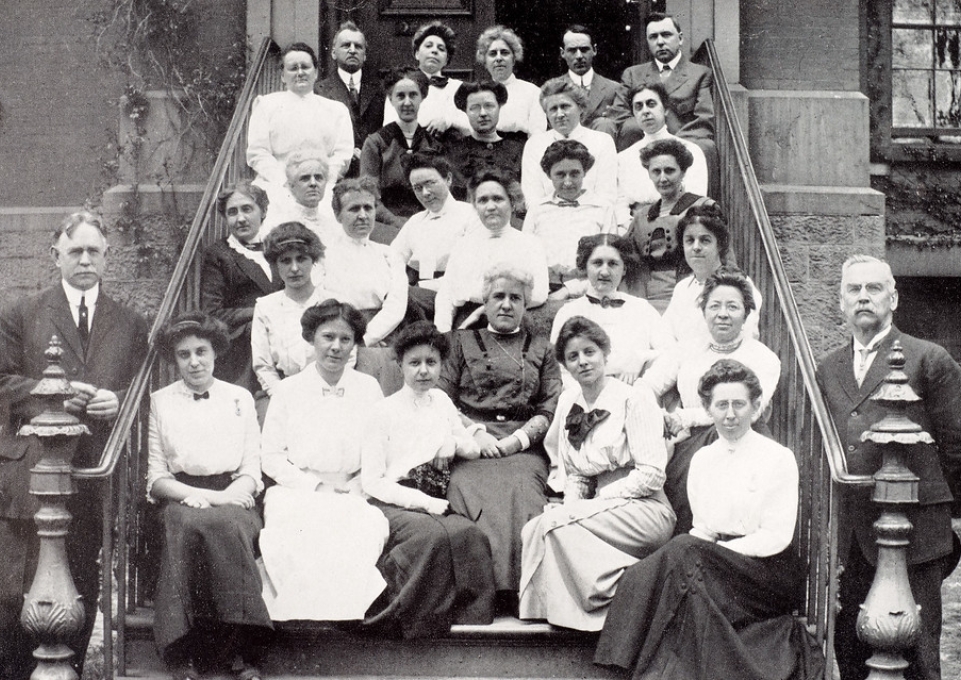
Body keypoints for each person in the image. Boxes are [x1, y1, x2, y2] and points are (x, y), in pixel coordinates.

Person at [596, 359, 823, 680]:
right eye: (721, 405)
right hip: (712, 562)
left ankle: (618, 662)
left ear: (755, 407)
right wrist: (705, 555)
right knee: (667, 572)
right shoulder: (702, 459)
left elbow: (776, 537)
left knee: (685, 553)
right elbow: (702, 529)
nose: (730, 414)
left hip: (767, 571)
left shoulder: (778, 457)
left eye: (739, 404)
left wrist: (713, 555)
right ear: (708, 409)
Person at [0, 211, 148, 680]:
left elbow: (143, 389)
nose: (85, 259)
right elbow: (3, 383)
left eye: (94, 251)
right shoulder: (21, 313)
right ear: (56, 256)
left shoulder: (129, 322)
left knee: (82, 576)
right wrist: (61, 395)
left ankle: (71, 671)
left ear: (107, 257)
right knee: (18, 585)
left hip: (94, 469)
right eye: (75, 251)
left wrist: (117, 400)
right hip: (34, 471)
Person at [817, 255, 961, 680]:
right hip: (851, 535)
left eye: (874, 288)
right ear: (841, 302)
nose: (864, 297)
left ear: (893, 298)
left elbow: (956, 444)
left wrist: (938, 509)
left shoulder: (928, 359)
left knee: (916, 653)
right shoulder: (827, 367)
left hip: (914, 529)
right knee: (852, 646)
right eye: (854, 290)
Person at [518, 317, 674, 631]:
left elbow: (652, 474)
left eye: (589, 352)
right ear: (565, 365)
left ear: (605, 354)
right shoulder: (569, 403)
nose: (583, 361)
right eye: (573, 357)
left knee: (554, 526)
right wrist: (573, 508)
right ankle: (546, 617)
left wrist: (598, 500)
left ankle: (630, 593)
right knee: (534, 529)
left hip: (644, 508)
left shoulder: (633, 399)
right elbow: (575, 475)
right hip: (600, 510)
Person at [147, 313, 271, 680]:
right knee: (185, 527)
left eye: (202, 351)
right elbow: (156, 477)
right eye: (184, 354)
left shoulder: (240, 397)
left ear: (216, 353)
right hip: (181, 495)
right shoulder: (160, 401)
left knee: (230, 526)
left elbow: (252, 468)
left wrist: (227, 495)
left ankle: (240, 649)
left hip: (233, 492)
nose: (194, 361)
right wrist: (201, 496)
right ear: (175, 359)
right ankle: (183, 648)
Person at [361, 321, 495, 638]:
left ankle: (469, 620)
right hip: (393, 500)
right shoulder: (382, 412)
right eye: (415, 363)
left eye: (431, 363)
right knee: (431, 538)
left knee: (468, 534)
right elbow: (372, 482)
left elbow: (472, 448)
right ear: (401, 365)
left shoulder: (443, 402)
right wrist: (422, 502)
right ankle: (415, 621)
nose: (424, 371)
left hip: (435, 497)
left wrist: (453, 443)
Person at [439, 266, 562, 608]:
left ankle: (520, 593)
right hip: (470, 440)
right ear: (485, 301)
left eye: (515, 298)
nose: (506, 305)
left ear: (525, 305)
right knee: (463, 485)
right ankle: (477, 592)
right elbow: (440, 399)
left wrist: (516, 441)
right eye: (498, 297)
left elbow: (551, 405)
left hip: (523, 444)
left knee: (523, 487)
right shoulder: (459, 343)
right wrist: (475, 433)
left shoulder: (542, 348)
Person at [259, 300, 389, 621]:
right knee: (305, 530)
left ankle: (340, 621)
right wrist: (314, 487)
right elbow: (271, 458)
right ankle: (302, 620)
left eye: (345, 340)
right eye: (328, 337)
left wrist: (358, 485)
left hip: (353, 489)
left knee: (359, 525)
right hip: (297, 490)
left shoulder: (368, 388)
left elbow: (379, 448)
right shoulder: (288, 390)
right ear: (311, 338)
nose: (336, 347)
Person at [642, 266, 781, 535]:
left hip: (742, 439)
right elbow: (648, 384)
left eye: (733, 306)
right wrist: (654, 413)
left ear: (747, 313)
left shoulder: (763, 358)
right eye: (714, 305)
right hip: (688, 441)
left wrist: (685, 416)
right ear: (704, 311)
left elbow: (748, 411)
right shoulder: (687, 348)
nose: (723, 314)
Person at [434, 168, 549, 332]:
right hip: (466, 321)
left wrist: (485, 307)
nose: (490, 207)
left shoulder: (530, 244)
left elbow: (538, 294)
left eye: (498, 199)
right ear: (475, 206)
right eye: (482, 200)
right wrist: (444, 335)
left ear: (512, 202)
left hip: (511, 318)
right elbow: (447, 294)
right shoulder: (463, 245)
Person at [550, 234, 674, 388]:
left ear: (624, 269)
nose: (604, 272)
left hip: (634, 396)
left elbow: (671, 353)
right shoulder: (568, 312)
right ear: (585, 266)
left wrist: (640, 358)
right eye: (597, 263)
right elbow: (557, 369)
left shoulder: (642, 309)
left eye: (613, 264)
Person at [246, 42, 354, 207]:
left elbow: (342, 156)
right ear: (282, 75)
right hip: (277, 186)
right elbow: (258, 152)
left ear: (316, 72)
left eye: (305, 67)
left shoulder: (337, 110)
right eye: (293, 68)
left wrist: (322, 182)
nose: (300, 73)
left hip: (321, 188)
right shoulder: (266, 105)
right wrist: (285, 182)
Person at [201, 182, 282, 395]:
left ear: (263, 211)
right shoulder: (219, 255)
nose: (241, 218)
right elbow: (212, 312)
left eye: (247, 209)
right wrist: (261, 312)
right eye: (232, 212)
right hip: (243, 346)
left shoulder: (279, 249)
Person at [624, 138, 715, 310]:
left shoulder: (704, 207)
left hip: (691, 297)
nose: (662, 178)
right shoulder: (642, 217)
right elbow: (629, 259)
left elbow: (722, 259)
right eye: (656, 171)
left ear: (683, 172)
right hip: (645, 300)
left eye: (670, 171)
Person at [391, 151, 481, 317]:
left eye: (430, 183)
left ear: (448, 179)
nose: (425, 193)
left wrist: (418, 288)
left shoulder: (470, 215)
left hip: (453, 293)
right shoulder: (415, 222)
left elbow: (469, 271)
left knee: (404, 298)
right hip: (417, 291)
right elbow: (393, 257)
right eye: (417, 188)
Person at [323, 177, 411, 347]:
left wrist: (367, 338)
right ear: (338, 215)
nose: (363, 215)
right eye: (354, 209)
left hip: (383, 337)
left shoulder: (390, 254)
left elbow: (396, 306)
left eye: (368, 208)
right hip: (336, 337)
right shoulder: (324, 256)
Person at [609, 13, 715, 152]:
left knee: (705, 147)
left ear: (680, 38)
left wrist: (672, 143)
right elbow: (619, 115)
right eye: (653, 37)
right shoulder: (633, 74)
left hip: (680, 146)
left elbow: (703, 120)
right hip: (642, 144)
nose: (660, 42)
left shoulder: (700, 74)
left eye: (666, 35)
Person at [522, 139, 617, 291]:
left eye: (574, 174)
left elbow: (610, 262)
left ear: (584, 172)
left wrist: (570, 290)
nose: (568, 182)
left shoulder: (603, 209)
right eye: (560, 174)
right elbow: (525, 256)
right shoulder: (537, 209)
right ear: (549, 175)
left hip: (588, 288)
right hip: (542, 288)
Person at [251, 222, 330, 403]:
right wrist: (285, 399)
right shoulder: (265, 307)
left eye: (301, 259)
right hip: (283, 395)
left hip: (328, 394)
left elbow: (348, 357)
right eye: (286, 261)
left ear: (313, 260)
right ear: (276, 265)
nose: (294, 268)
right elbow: (263, 366)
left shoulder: (331, 303)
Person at [662, 204, 761, 348]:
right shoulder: (682, 288)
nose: (696, 247)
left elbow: (746, 337)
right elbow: (665, 332)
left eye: (705, 240)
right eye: (690, 240)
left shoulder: (739, 285)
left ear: (720, 245)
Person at [362, 67, 446, 237]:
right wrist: (396, 223)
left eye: (413, 95)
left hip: (429, 229)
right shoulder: (376, 143)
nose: (407, 102)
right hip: (386, 227)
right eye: (400, 96)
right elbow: (368, 195)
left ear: (422, 97)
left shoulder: (433, 144)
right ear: (391, 99)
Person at [615, 83, 708, 227]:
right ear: (633, 114)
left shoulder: (691, 150)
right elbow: (619, 204)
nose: (645, 111)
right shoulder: (624, 158)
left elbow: (695, 200)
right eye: (638, 106)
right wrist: (633, 229)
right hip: (636, 229)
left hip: (679, 226)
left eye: (651, 104)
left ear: (665, 109)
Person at [521, 78, 617, 208]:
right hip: (548, 220)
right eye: (553, 109)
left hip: (593, 219)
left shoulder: (602, 141)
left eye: (565, 106)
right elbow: (532, 198)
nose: (559, 114)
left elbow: (606, 196)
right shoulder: (535, 145)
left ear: (581, 108)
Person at [316, 21, 385, 177]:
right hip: (336, 171)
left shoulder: (380, 90)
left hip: (373, 171)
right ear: (333, 53)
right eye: (346, 45)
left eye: (358, 46)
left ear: (365, 55)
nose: (353, 50)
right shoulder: (319, 91)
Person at [383, 20, 470, 136]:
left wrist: (448, 121)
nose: (434, 51)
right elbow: (389, 127)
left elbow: (473, 127)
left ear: (446, 60)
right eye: (428, 46)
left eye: (441, 49)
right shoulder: (400, 85)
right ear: (417, 53)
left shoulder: (457, 87)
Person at [446, 81, 526, 200]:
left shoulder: (519, 149)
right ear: (465, 111)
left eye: (489, 106)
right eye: (474, 108)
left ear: (499, 107)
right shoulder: (455, 151)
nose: (483, 113)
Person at [475, 25, 545, 137]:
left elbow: (538, 134)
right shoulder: (475, 93)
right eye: (493, 54)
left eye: (504, 52)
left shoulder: (532, 92)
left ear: (514, 58)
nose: (499, 58)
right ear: (485, 61)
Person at [259, 150, 341, 245]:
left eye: (318, 177)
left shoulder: (333, 225)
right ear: (291, 185)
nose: (313, 183)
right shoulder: (279, 224)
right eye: (305, 178)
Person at [558, 25, 618, 136]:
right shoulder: (554, 89)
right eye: (572, 50)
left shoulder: (614, 89)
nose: (579, 56)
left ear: (594, 50)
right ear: (562, 53)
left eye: (584, 49)